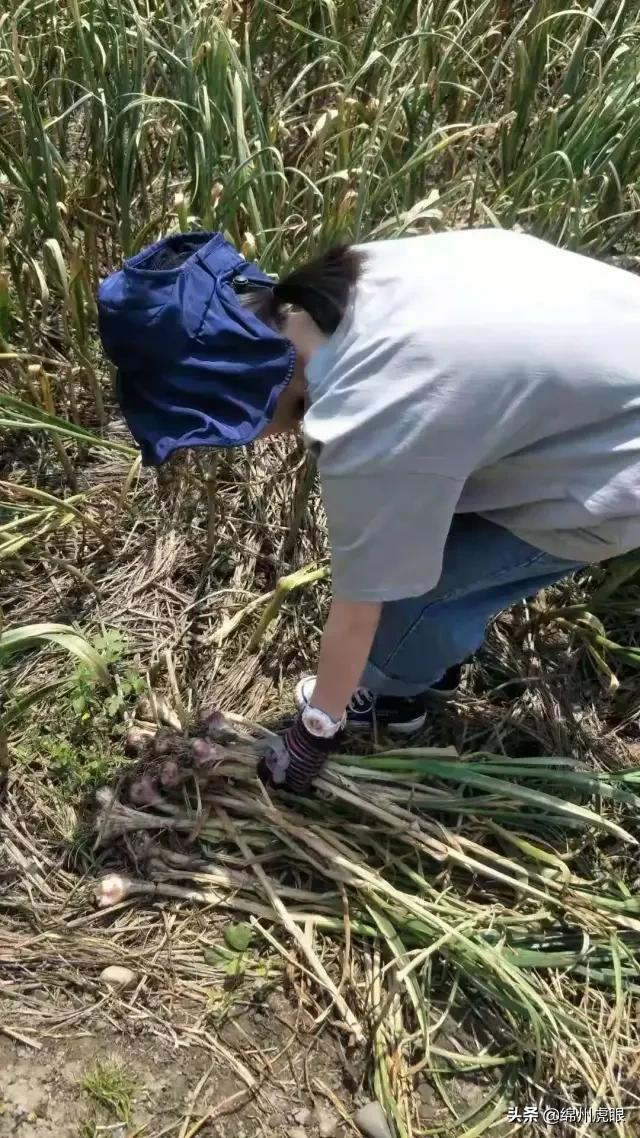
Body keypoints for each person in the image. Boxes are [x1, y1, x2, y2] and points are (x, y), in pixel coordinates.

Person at [97, 227, 640, 792]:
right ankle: (433, 657)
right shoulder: (357, 278)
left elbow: (360, 611)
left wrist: (314, 732)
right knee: (417, 534)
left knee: (418, 602)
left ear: (237, 392)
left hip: (618, 461)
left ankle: (395, 696)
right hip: (613, 349)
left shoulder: (368, 419)